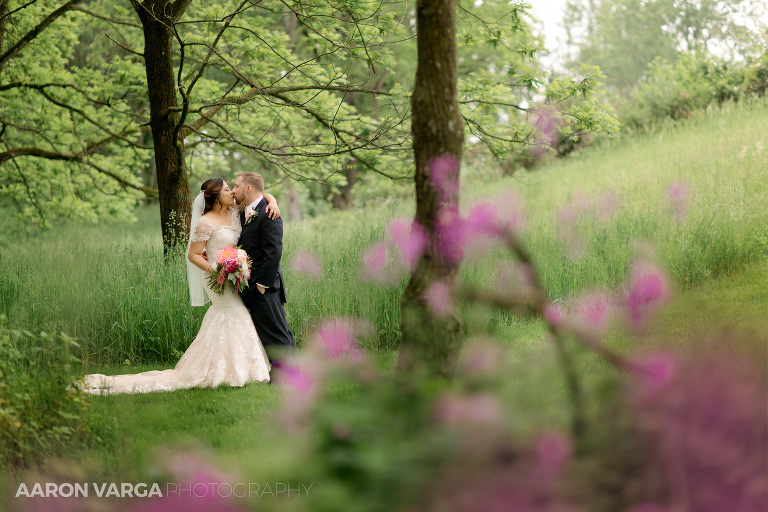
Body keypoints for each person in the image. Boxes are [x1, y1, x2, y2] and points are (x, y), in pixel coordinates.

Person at [80, 178, 280, 394]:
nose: (231, 191)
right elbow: (193, 254)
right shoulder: (205, 222)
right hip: (215, 276)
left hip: (235, 275)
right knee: (234, 314)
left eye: (231, 188)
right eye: (226, 189)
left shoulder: (236, 212)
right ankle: (230, 372)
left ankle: (239, 369)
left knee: (237, 315)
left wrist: (273, 202)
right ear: (214, 196)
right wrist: (216, 269)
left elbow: (260, 196)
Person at [232, 172, 295, 369]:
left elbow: (274, 253)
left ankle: (289, 376)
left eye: (236, 186)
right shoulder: (246, 210)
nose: (233, 191)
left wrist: (262, 285)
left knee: (277, 333)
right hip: (252, 287)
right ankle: (280, 376)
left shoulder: (269, 213)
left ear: (248, 188)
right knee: (268, 333)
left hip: (265, 286)